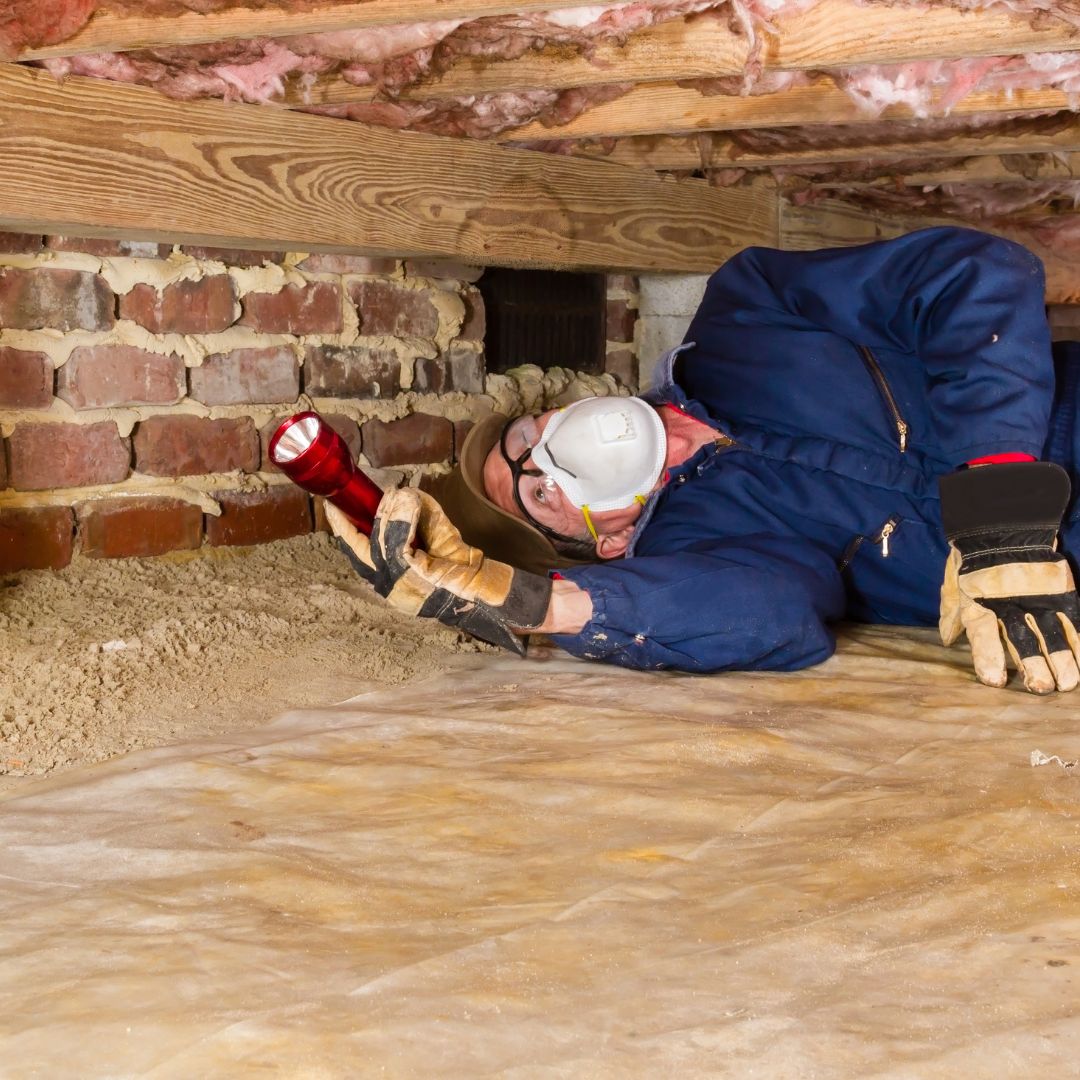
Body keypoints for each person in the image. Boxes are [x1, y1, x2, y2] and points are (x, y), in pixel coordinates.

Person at [327, 226, 1080, 695]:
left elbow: (973, 275)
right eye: (539, 495)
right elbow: (771, 615)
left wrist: (1000, 514)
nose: (543, 460)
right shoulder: (700, 550)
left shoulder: (746, 311)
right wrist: (535, 604)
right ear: (608, 542)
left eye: (524, 440)